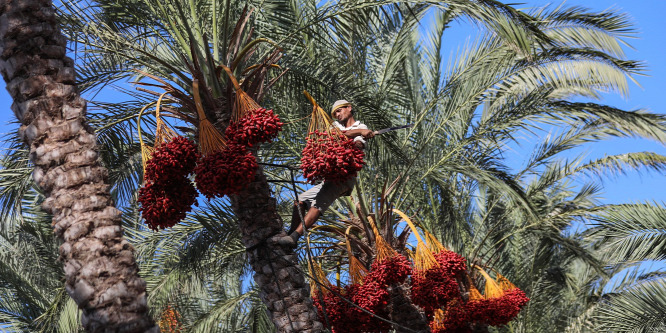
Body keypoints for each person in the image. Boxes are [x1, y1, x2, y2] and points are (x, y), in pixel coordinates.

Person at [286, 99, 375, 245]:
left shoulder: (361, 125)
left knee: (318, 203)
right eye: (335, 113)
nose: (337, 115)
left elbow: (358, 145)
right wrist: (359, 133)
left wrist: (361, 135)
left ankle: (294, 237)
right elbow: (334, 136)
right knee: (300, 201)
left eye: (339, 111)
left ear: (349, 108)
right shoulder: (336, 126)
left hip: (344, 178)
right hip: (330, 178)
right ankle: (291, 233)